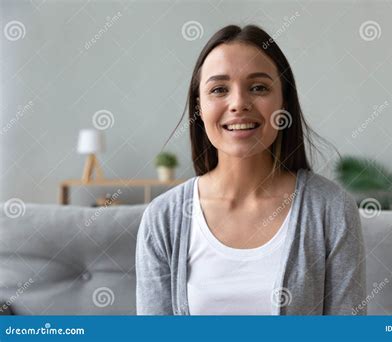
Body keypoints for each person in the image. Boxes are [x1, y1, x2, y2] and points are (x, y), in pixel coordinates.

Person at [136, 24, 366, 315]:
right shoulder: (163, 219)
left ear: (284, 101)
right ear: (200, 106)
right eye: (219, 89)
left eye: (258, 87)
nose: (239, 103)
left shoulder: (331, 209)